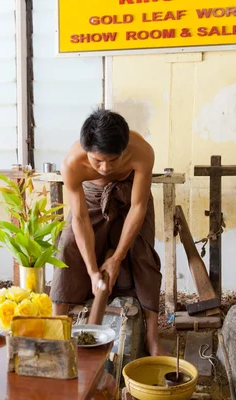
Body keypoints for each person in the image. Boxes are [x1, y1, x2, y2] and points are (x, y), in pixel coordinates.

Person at [50, 108, 166, 356]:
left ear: (124, 150)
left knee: (142, 251)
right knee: (69, 244)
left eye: (112, 161)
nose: (104, 168)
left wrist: (116, 258)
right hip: (91, 197)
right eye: (97, 160)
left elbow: (138, 206)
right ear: (87, 150)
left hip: (130, 194)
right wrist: (93, 271)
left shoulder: (142, 151)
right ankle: (57, 327)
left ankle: (152, 336)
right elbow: (79, 217)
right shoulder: (72, 163)